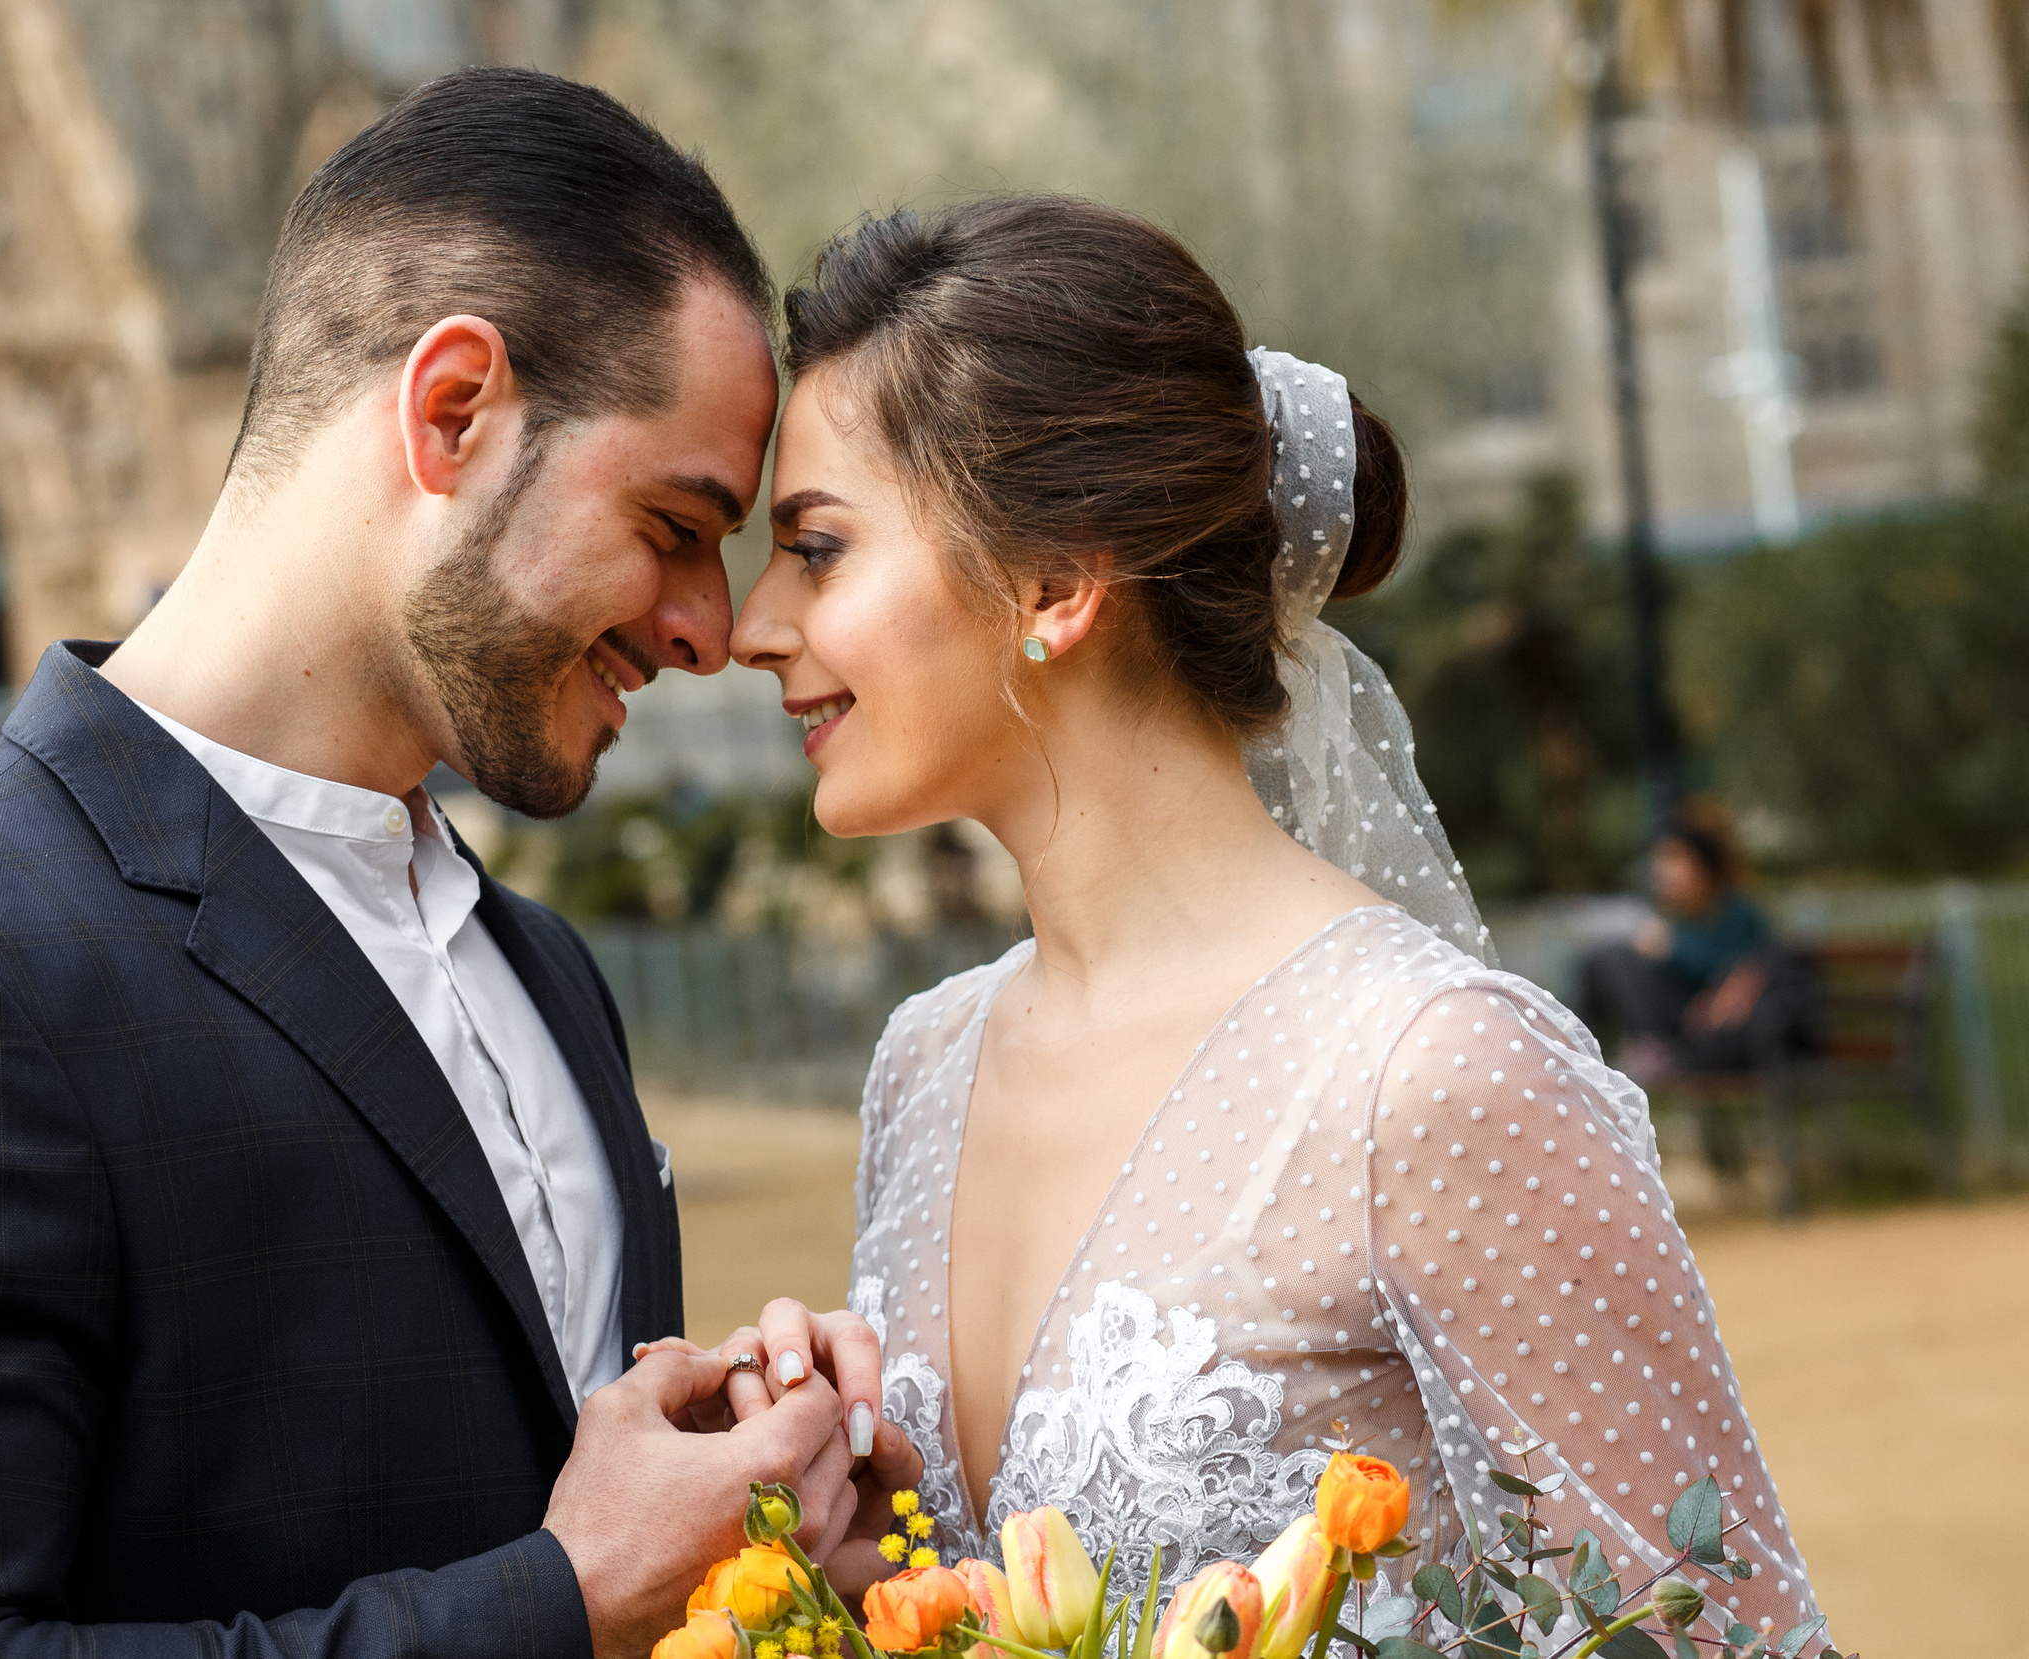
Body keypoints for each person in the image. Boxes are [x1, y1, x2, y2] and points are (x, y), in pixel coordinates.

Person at [0, 69, 909, 1659]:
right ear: (452, 410)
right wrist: (565, 1598)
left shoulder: (544, 970)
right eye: (675, 522)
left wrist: (752, 1526)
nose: (710, 628)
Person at [727, 199, 1825, 1645]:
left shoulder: (1427, 1073)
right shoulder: (923, 1066)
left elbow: (1713, 1630)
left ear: (1054, 583)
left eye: (815, 548)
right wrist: (857, 1567)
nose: (752, 625)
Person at [1584, 820, 1799, 1084]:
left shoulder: (1737, 914)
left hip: (1723, 1028)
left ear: (1704, 866)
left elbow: (1748, 967)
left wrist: (1672, 949)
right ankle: (1596, 1052)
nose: (1663, 872)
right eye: (1660, 862)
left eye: (1674, 860)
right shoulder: (1671, 919)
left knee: (1620, 958)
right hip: (1683, 1017)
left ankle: (1661, 1051)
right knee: (1611, 958)